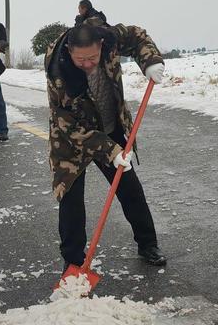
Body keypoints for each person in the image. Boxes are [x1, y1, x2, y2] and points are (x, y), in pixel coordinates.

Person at [45, 23, 167, 271]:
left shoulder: (110, 38)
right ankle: (74, 262)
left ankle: (147, 244)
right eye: (81, 60)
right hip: (72, 138)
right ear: (69, 51)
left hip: (109, 124)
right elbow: (66, 123)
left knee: (129, 187)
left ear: (101, 45)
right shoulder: (58, 71)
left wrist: (150, 61)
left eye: (92, 57)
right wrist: (110, 152)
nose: (88, 64)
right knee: (70, 198)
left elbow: (136, 36)